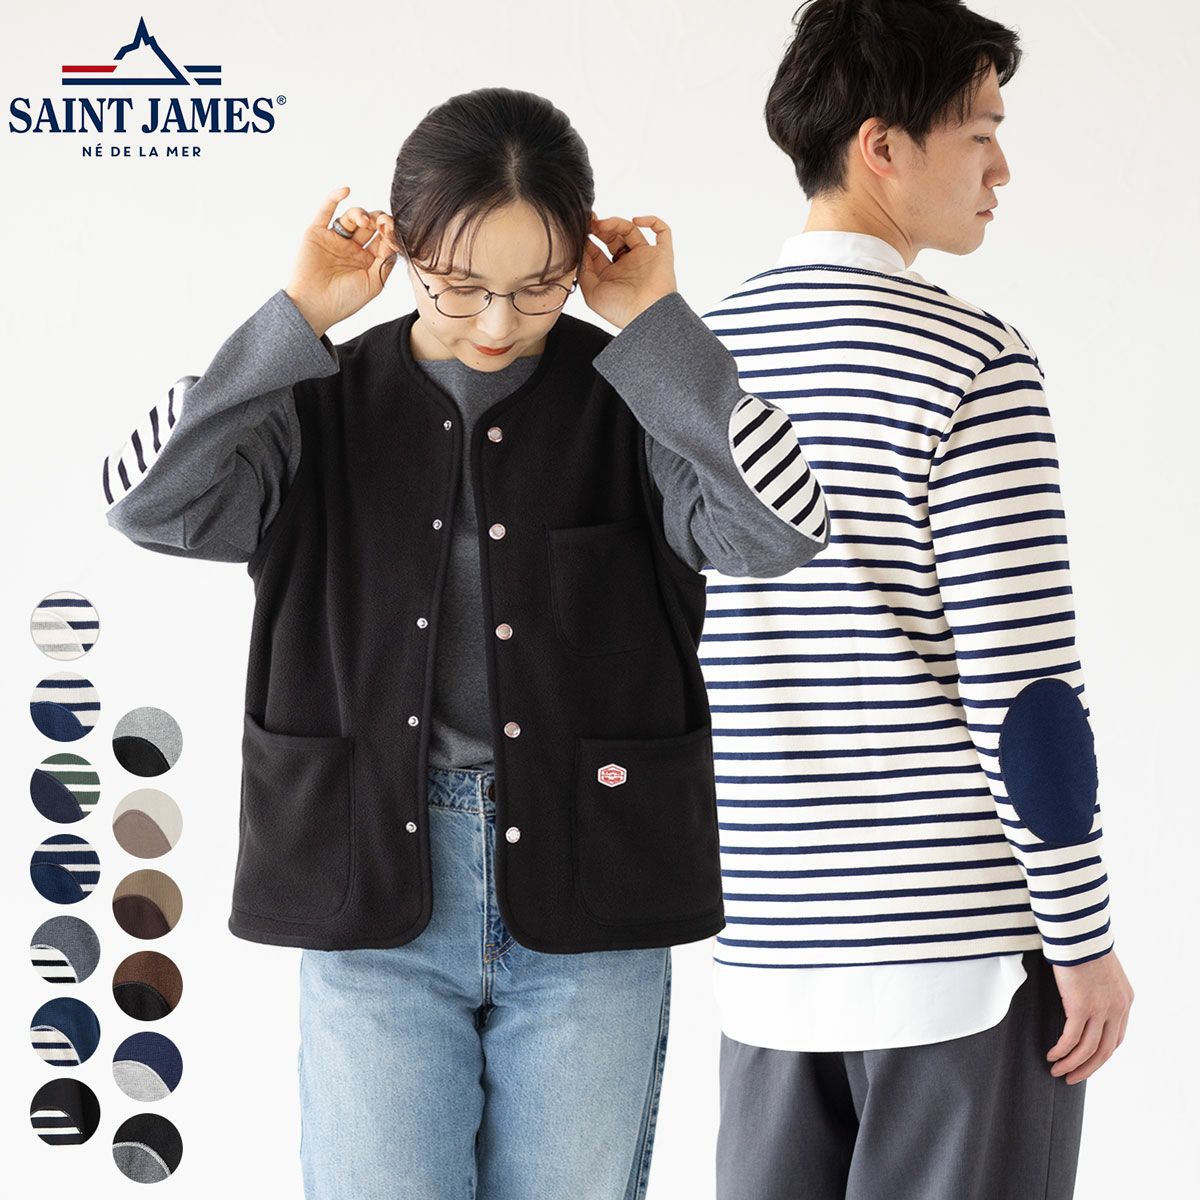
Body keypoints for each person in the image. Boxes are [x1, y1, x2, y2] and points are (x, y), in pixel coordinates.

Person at [100, 88, 829, 1199]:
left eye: (538, 286)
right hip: (372, 888)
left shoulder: (634, 400)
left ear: (579, 259)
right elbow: (147, 502)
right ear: (404, 249)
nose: (496, 323)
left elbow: (779, 529)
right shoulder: (316, 400)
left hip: (593, 888)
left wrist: (659, 333)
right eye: (458, 285)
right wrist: (294, 319)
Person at [701, 3, 1134, 1198]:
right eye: (981, 132)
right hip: (960, 966)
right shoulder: (970, 362)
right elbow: (1027, 696)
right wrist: (1083, 940)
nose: (1003, 168)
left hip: (768, 961)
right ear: (881, 146)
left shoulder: (694, 365)